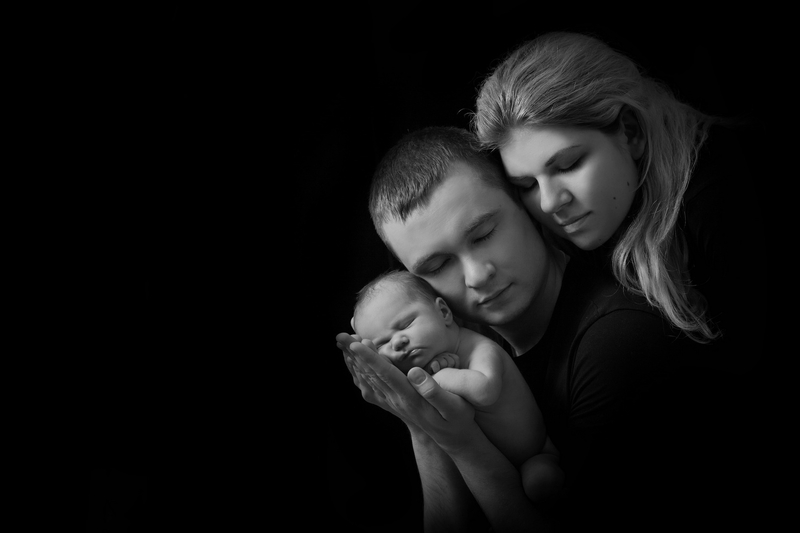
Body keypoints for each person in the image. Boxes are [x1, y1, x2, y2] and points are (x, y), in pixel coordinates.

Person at [336, 126, 736, 532]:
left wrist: (460, 441)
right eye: (437, 267)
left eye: (484, 234)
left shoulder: (616, 343)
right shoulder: (462, 346)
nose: (477, 275)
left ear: (525, 203)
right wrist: (419, 420)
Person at [472, 31, 765, 372]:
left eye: (568, 165)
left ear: (630, 131)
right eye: (527, 185)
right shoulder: (575, 237)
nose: (549, 203)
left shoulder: (722, 200)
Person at [350, 269, 564, 500]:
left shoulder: (478, 348)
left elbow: (484, 391)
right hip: (484, 466)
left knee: (540, 483)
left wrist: (438, 379)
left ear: (443, 312)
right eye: (382, 343)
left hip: (533, 454)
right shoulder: (436, 360)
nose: (398, 342)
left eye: (406, 324)